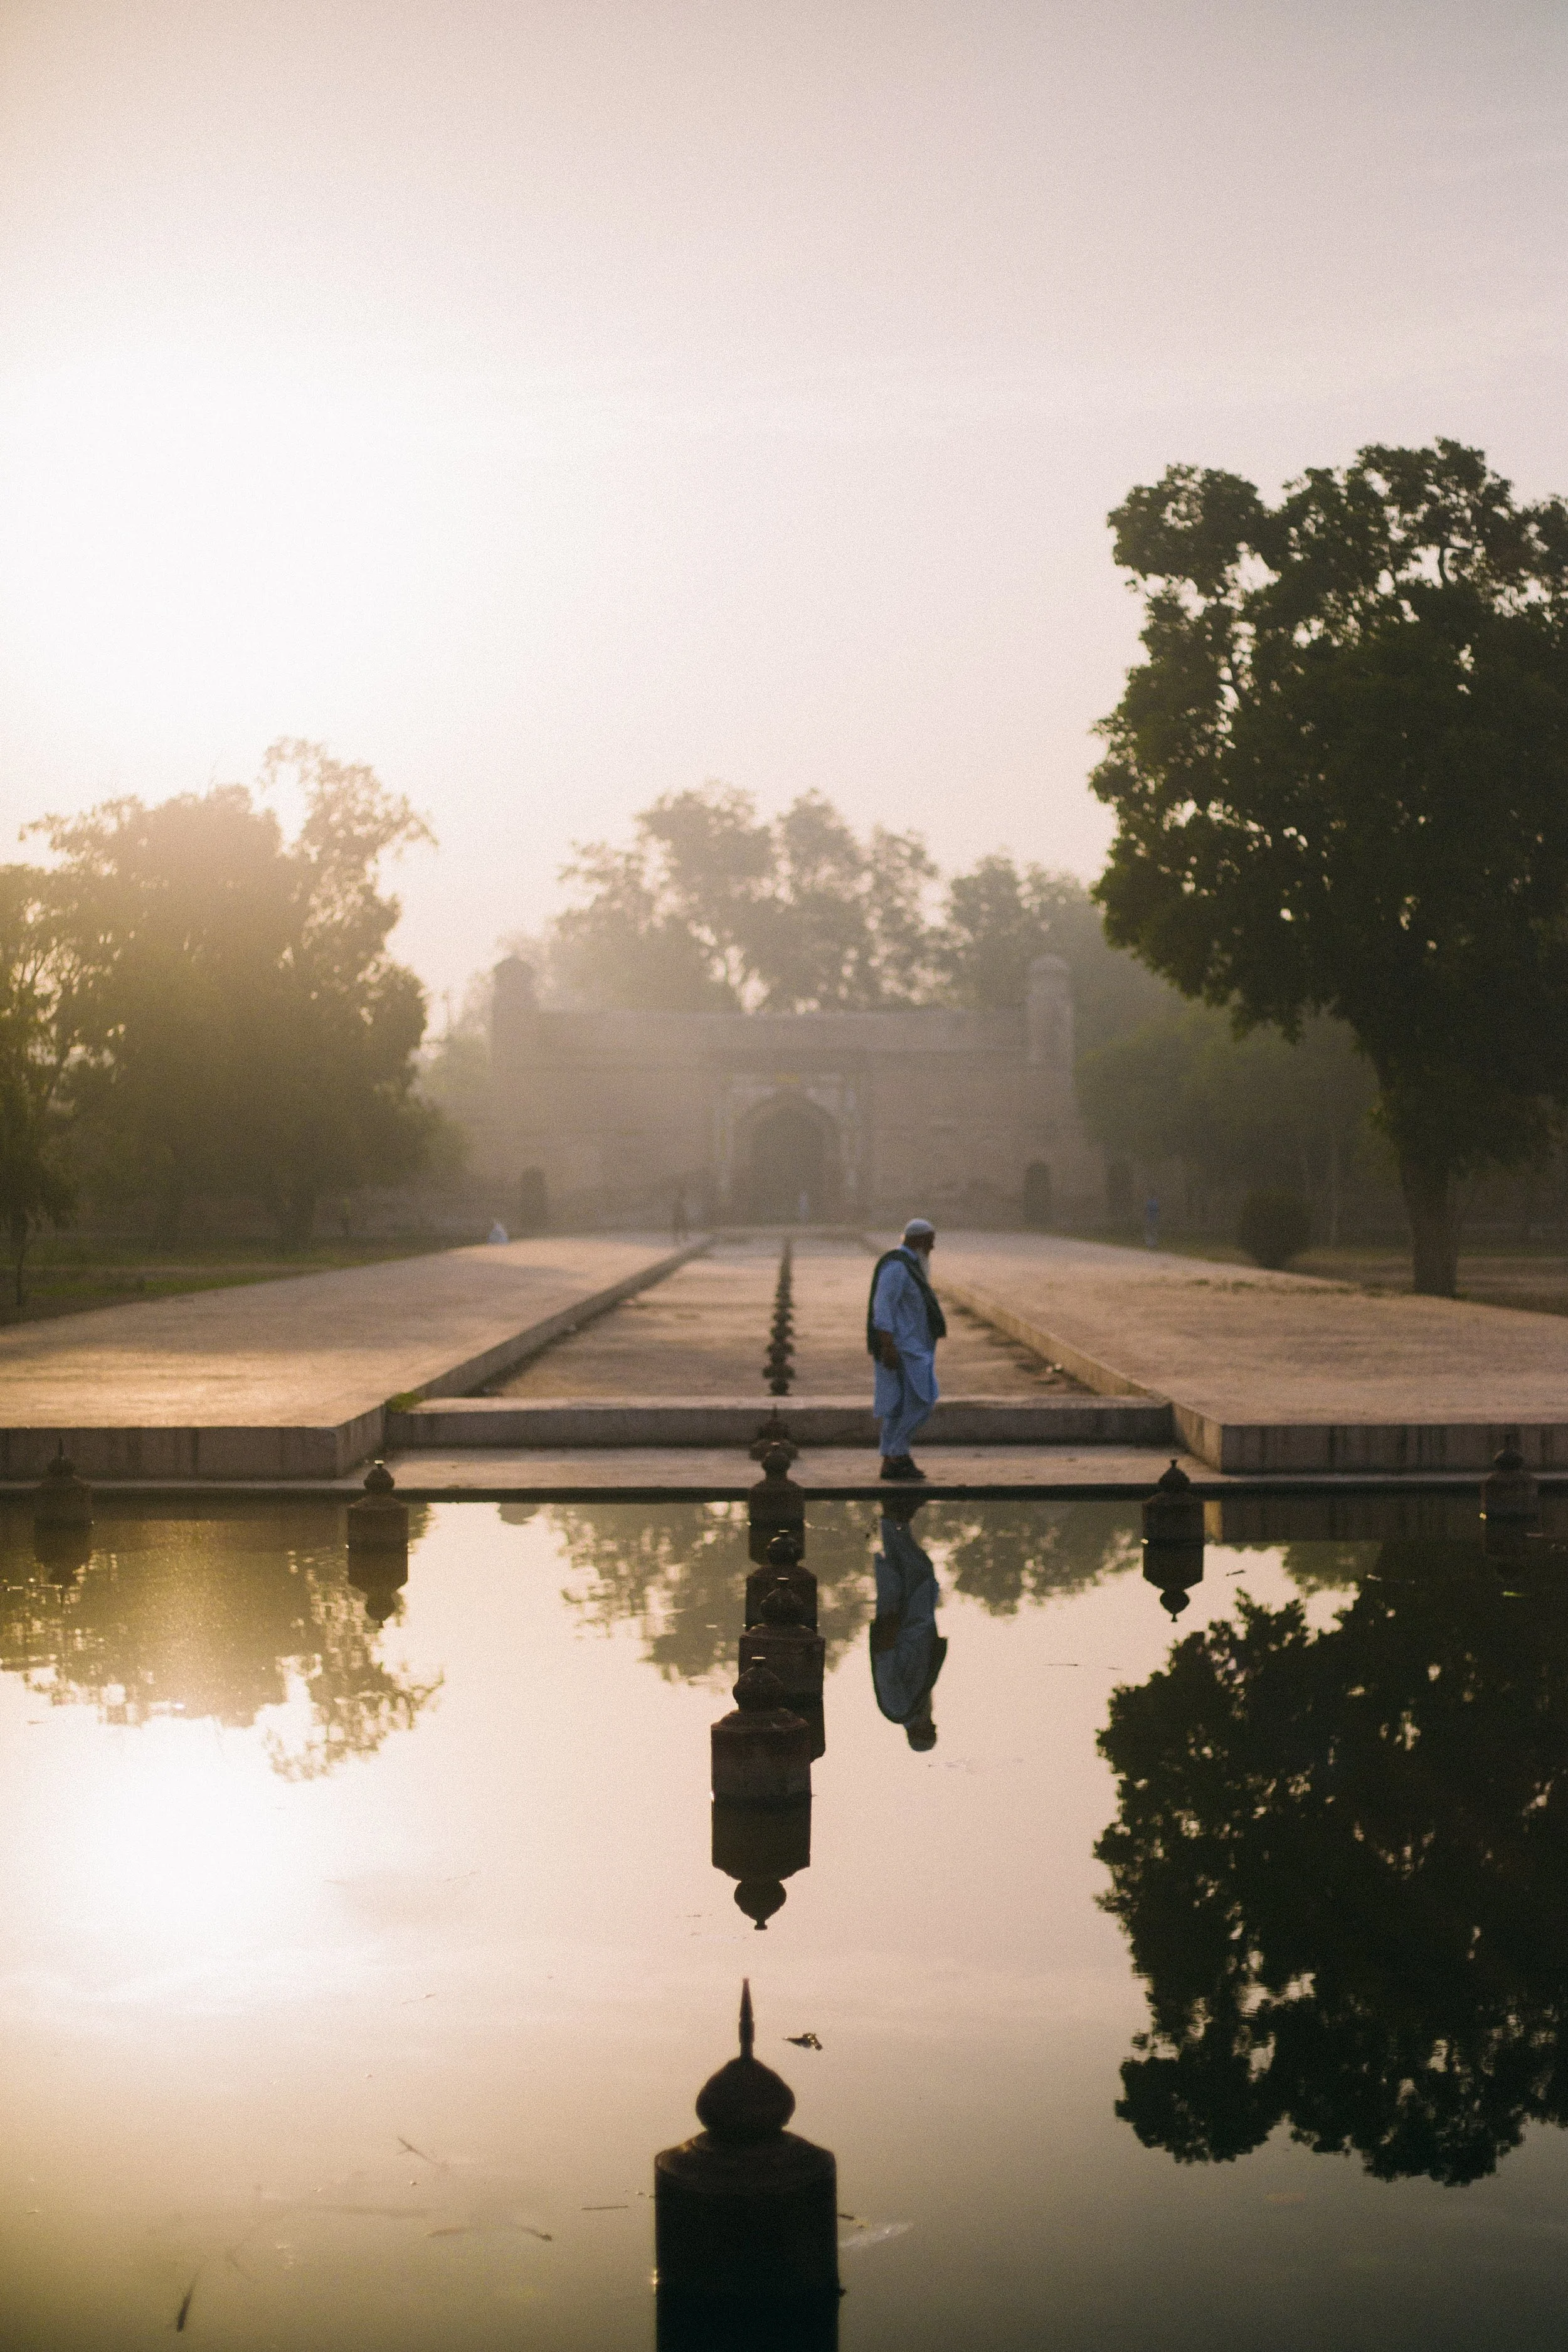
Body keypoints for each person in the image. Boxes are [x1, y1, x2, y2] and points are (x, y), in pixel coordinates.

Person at [866, 1216, 946, 1482]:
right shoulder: (897, 1267)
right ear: (920, 1240)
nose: (933, 1248)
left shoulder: (910, 1265)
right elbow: (883, 1306)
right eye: (931, 1242)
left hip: (913, 1347)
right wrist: (887, 1345)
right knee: (923, 1401)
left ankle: (892, 1459)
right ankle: (898, 1454)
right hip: (902, 1348)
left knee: (899, 1407)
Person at [869, 1495, 946, 1749]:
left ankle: (894, 1517)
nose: (933, 1724)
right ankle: (895, 1518)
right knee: (916, 1573)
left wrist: (890, 1631)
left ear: (921, 1732)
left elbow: (885, 1668)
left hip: (902, 1627)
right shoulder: (917, 1707)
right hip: (915, 1627)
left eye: (930, 1730)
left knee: (908, 1572)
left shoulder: (899, 1709)